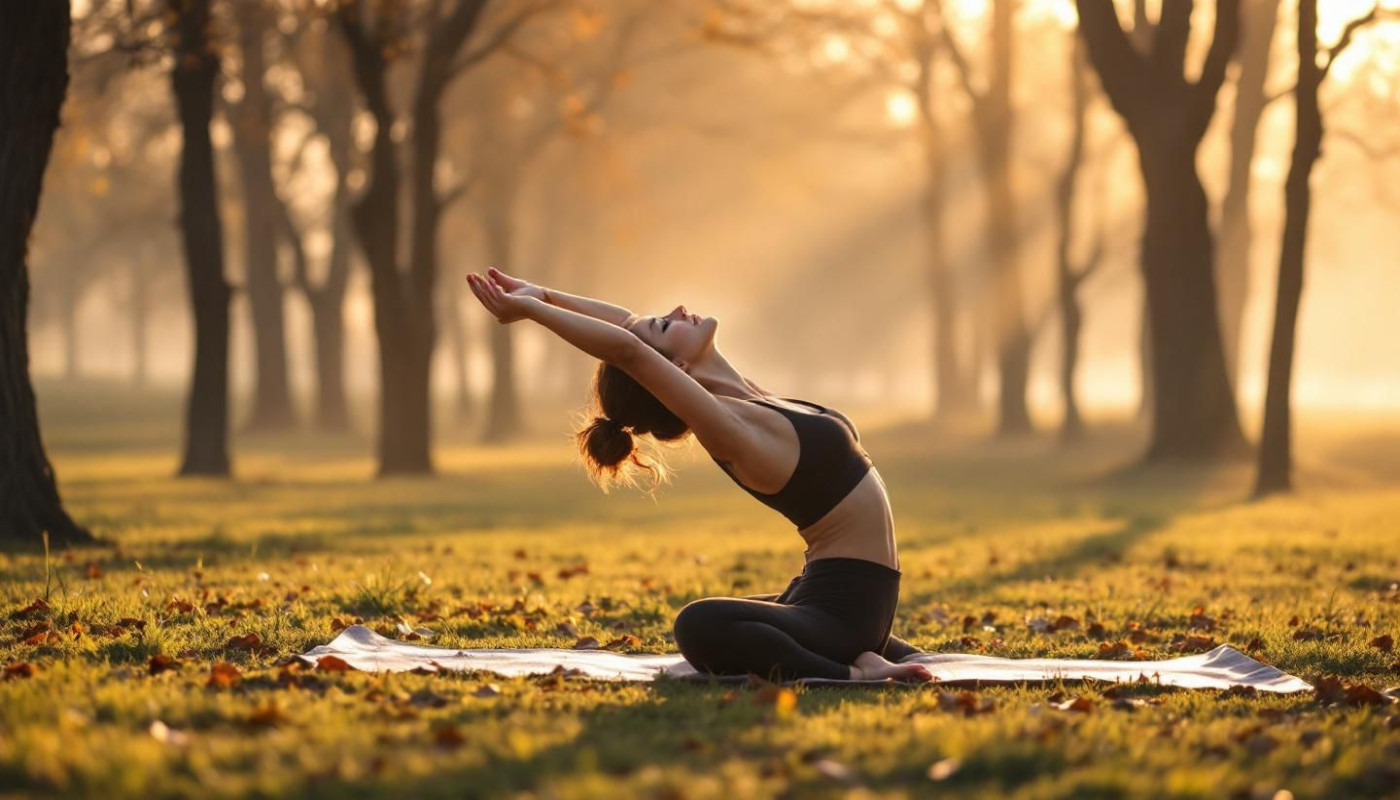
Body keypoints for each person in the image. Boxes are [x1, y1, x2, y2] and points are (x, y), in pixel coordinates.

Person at [466, 267, 932, 683]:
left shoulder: (750, 397)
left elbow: (627, 326)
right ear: (675, 370)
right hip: (844, 612)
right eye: (665, 324)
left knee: (747, 618)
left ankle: (863, 649)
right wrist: (530, 312)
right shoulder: (729, 428)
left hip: (838, 602)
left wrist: (544, 295)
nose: (678, 310)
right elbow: (629, 348)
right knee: (698, 624)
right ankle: (853, 670)